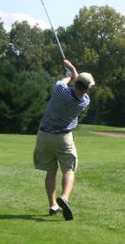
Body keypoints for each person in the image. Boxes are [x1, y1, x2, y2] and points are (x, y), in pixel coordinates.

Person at [33, 59, 95, 220]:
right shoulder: (84, 101)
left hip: (44, 136)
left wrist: (70, 73)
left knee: (50, 171)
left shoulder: (60, 90)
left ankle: (53, 205)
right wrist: (74, 73)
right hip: (63, 138)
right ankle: (65, 197)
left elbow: (63, 82)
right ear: (88, 88)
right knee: (68, 169)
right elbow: (78, 88)